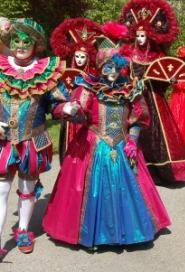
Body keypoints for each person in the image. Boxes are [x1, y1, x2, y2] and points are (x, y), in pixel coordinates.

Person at [42, 34, 171, 249]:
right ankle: (90, 234)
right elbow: (81, 117)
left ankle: (132, 232)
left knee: (130, 189)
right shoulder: (88, 87)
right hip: (92, 144)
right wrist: (74, 112)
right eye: (106, 67)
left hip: (123, 146)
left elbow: (138, 119)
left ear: (121, 67)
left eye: (114, 67)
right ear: (100, 66)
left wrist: (133, 141)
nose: (110, 72)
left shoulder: (131, 88)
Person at [0, 18, 79, 256]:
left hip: (33, 142)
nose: (21, 45)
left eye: (26, 41)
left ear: (36, 45)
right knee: (1, 190)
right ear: (9, 41)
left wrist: (65, 109)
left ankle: (23, 229)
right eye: (16, 40)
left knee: (27, 187)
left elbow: (55, 105)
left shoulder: (46, 72)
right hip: (2, 143)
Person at [118, 0, 185, 185]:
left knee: (160, 134)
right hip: (134, 99)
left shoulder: (157, 54)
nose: (140, 39)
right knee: (136, 132)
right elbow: (123, 75)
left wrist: (168, 79)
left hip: (154, 100)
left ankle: (163, 173)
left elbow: (163, 76)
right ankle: (137, 170)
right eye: (138, 35)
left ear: (149, 35)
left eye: (144, 35)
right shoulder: (128, 54)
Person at [50, 18, 103, 163]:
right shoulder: (62, 73)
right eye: (77, 57)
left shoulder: (94, 76)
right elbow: (57, 95)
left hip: (85, 116)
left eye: (83, 57)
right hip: (69, 114)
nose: (79, 60)